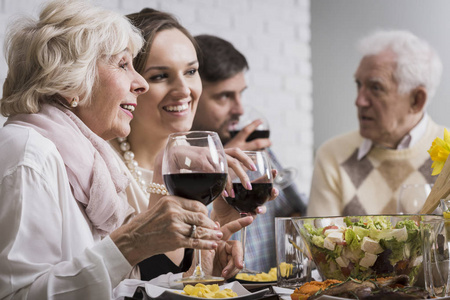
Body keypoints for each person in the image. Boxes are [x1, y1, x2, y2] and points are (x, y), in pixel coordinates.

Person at [0, 1, 247, 298]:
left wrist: (204, 265)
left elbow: (116, 290)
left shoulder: (91, 164)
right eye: (122, 64)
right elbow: (17, 295)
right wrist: (128, 245)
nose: (139, 83)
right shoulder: (30, 156)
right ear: (71, 84)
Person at [109, 9, 278, 281]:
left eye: (191, 71)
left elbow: (178, 283)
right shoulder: (100, 171)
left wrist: (213, 249)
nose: (184, 90)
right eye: (160, 76)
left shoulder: (194, 173)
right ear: (132, 83)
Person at [191, 34, 308, 272]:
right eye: (224, 96)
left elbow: (294, 214)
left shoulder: (255, 150)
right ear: (192, 93)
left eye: (240, 93)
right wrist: (219, 164)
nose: (240, 109)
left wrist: (294, 275)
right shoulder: (178, 164)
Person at [307, 30, 445, 217]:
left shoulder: (447, 155)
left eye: (376, 88)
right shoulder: (332, 155)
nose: (359, 101)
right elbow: (319, 244)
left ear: (416, 100)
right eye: (359, 84)